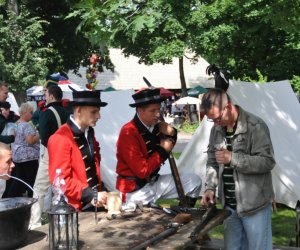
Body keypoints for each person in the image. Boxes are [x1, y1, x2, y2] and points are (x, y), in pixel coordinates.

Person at [200, 88, 275, 250]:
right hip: (229, 207)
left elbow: (267, 162)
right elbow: (212, 161)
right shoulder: (216, 130)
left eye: (217, 118)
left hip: (255, 207)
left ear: (228, 107)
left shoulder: (255, 126)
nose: (215, 123)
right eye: (212, 120)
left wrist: (233, 158)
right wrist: (210, 188)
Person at [116, 88, 201, 210]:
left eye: (158, 109)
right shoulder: (128, 132)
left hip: (154, 182)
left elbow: (169, 144)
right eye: (153, 110)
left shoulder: (156, 125)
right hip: (135, 190)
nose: (157, 114)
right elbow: (142, 171)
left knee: (194, 181)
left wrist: (171, 133)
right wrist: (162, 151)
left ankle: (184, 210)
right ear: (140, 110)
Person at [47, 89, 108, 210]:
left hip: (93, 203)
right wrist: (90, 194)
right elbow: (60, 180)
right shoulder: (60, 138)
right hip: (75, 208)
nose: (98, 116)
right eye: (94, 112)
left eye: (98, 112)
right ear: (79, 111)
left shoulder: (88, 131)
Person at [31, 83, 69, 228]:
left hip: (51, 154)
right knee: (63, 188)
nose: (45, 97)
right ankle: (64, 220)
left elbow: (44, 137)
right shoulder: (67, 112)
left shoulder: (47, 112)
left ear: (51, 96)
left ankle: (35, 223)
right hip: (65, 153)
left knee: (39, 189)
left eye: (46, 95)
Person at [7, 103, 40, 198]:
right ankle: (32, 199)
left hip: (17, 156)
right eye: (31, 112)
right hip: (28, 157)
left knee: (19, 179)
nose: (32, 114)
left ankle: (10, 197)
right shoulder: (26, 125)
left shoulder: (16, 123)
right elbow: (30, 141)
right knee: (32, 180)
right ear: (25, 112)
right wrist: (38, 135)